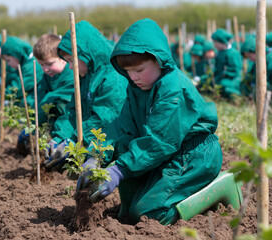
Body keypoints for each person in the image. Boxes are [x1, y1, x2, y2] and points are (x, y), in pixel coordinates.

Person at [76, 18, 222, 225]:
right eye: (127, 71)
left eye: (138, 70)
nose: (132, 77)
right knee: (128, 210)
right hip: (165, 153)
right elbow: (122, 127)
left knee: (148, 215)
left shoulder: (173, 89)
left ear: (158, 60)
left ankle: (213, 191)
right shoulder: (137, 88)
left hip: (192, 155)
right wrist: (96, 155)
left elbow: (160, 141)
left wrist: (119, 170)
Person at [44, 20, 128, 169]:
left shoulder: (113, 78)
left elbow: (103, 119)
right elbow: (74, 111)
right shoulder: (88, 74)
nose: (70, 67)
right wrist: (60, 136)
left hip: (114, 148)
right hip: (93, 144)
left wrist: (74, 140)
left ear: (86, 55)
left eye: (72, 61)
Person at [17, 33, 75, 155]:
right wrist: (31, 126)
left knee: (58, 104)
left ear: (63, 58)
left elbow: (54, 102)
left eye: (49, 64)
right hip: (55, 124)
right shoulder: (47, 77)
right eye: (41, 64)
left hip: (69, 124)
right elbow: (39, 98)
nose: (45, 69)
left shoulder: (71, 76)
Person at [1, 36, 44, 108]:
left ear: (17, 55)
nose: (8, 64)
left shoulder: (31, 66)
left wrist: (1, 98)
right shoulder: (24, 65)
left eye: (8, 60)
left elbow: (18, 88)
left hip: (35, 102)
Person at [212, 28, 242, 99]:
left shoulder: (233, 54)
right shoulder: (219, 53)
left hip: (232, 80)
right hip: (220, 78)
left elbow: (236, 72)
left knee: (224, 86)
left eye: (216, 42)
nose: (214, 45)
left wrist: (224, 73)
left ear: (222, 42)